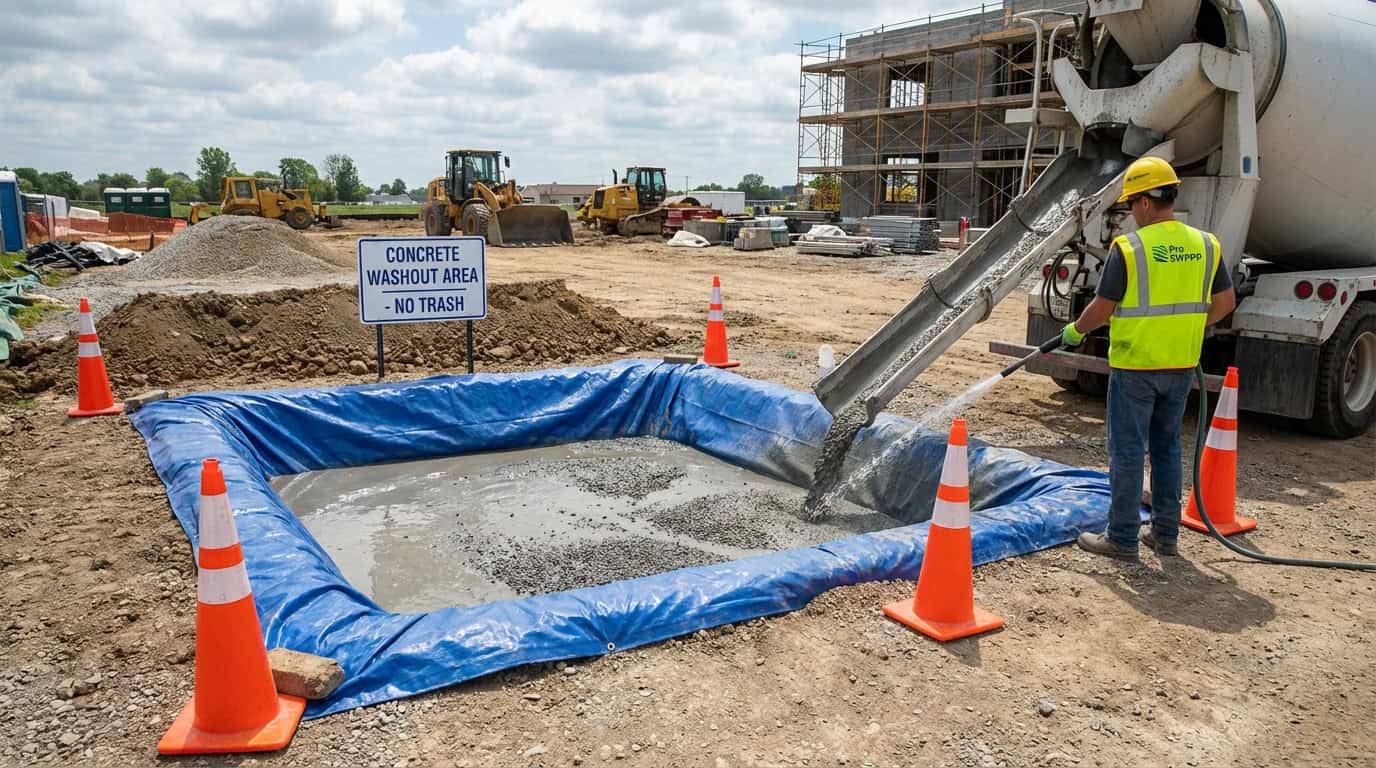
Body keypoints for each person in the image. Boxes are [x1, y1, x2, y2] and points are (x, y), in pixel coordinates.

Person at [1061, 156, 1237, 559]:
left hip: (1136, 366)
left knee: (1126, 452)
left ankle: (1121, 538)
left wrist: (1074, 331)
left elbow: (1102, 309)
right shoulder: (1207, 244)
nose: (1128, 215)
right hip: (1180, 366)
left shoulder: (1131, 248)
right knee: (1167, 448)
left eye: (1129, 205)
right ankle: (1165, 535)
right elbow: (1225, 302)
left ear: (1144, 202)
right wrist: (1188, 327)